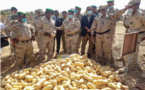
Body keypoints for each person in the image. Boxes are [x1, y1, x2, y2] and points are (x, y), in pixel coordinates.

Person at [123, 0, 145, 78]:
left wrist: (144, 36)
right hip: (130, 33)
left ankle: (134, 68)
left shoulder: (142, 13)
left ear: (136, 6)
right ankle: (128, 66)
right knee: (128, 51)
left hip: (138, 34)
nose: (129, 8)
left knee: (134, 51)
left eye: (131, 6)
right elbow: (126, 24)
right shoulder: (129, 13)